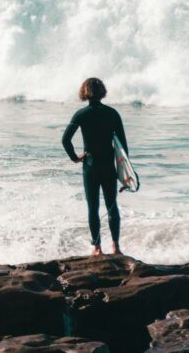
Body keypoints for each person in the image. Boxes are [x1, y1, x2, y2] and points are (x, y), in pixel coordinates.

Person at [62, 77, 129, 256]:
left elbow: (65, 139)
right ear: (102, 92)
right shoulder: (113, 114)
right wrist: (125, 174)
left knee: (93, 208)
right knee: (112, 206)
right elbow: (123, 147)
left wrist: (75, 158)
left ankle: (97, 248)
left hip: (90, 167)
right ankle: (116, 247)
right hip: (108, 167)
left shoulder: (81, 115)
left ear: (84, 92)